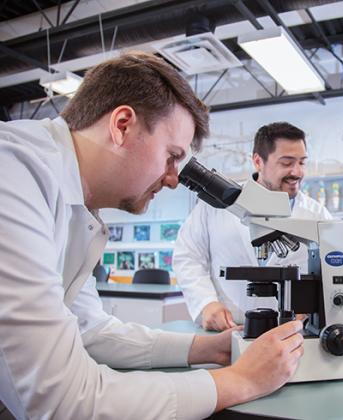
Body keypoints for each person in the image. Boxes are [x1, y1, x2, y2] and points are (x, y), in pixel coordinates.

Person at [0, 52, 304, 420]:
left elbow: (92, 332)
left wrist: (209, 349)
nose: (175, 179)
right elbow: (61, 398)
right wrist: (240, 381)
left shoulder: (75, 208)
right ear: (122, 125)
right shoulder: (14, 172)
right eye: (172, 156)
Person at [174, 122, 331, 331]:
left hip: (292, 330)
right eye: (286, 163)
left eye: (302, 162)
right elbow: (188, 256)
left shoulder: (317, 214)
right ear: (258, 161)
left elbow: (335, 267)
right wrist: (205, 303)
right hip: (229, 328)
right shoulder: (216, 205)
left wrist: (314, 306)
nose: (297, 172)